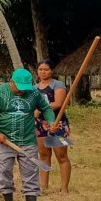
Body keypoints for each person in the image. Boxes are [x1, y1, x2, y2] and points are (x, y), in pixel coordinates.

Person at [0, 68, 59, 201]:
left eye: (25, 88)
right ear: (11, 82)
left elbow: (46, 108)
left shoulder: (34, 93)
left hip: (28, 140)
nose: (21, 91)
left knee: (30, 172)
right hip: (5, 141)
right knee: (4, 171)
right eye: (19, 88)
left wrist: (51, 121)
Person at [35, 60, 72, 192]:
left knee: (61, 156)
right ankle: (43, 186)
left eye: (46, 69)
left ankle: (64, 188)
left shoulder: (58, 84)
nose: (43, 72)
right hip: (40, 125)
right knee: (43, 155)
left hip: (58, 123)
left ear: (51, 71)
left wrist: (41, 109)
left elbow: (58, 103)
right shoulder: (35, 88)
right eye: (41, 69)